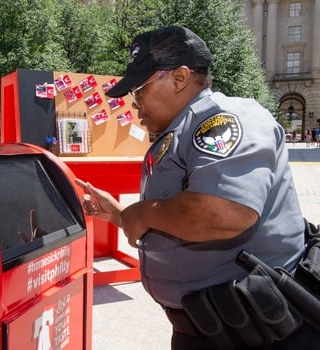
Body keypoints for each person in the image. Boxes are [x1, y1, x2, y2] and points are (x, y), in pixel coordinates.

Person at [75, 26, 319, 349]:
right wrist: (121, 215)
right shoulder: (180, 131)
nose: (134, 104)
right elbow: (177, 218)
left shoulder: (222, 118)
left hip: (261, 332)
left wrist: (145, 212)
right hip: (210, 329)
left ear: (179, 78)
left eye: (139, 90)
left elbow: (224, 213)